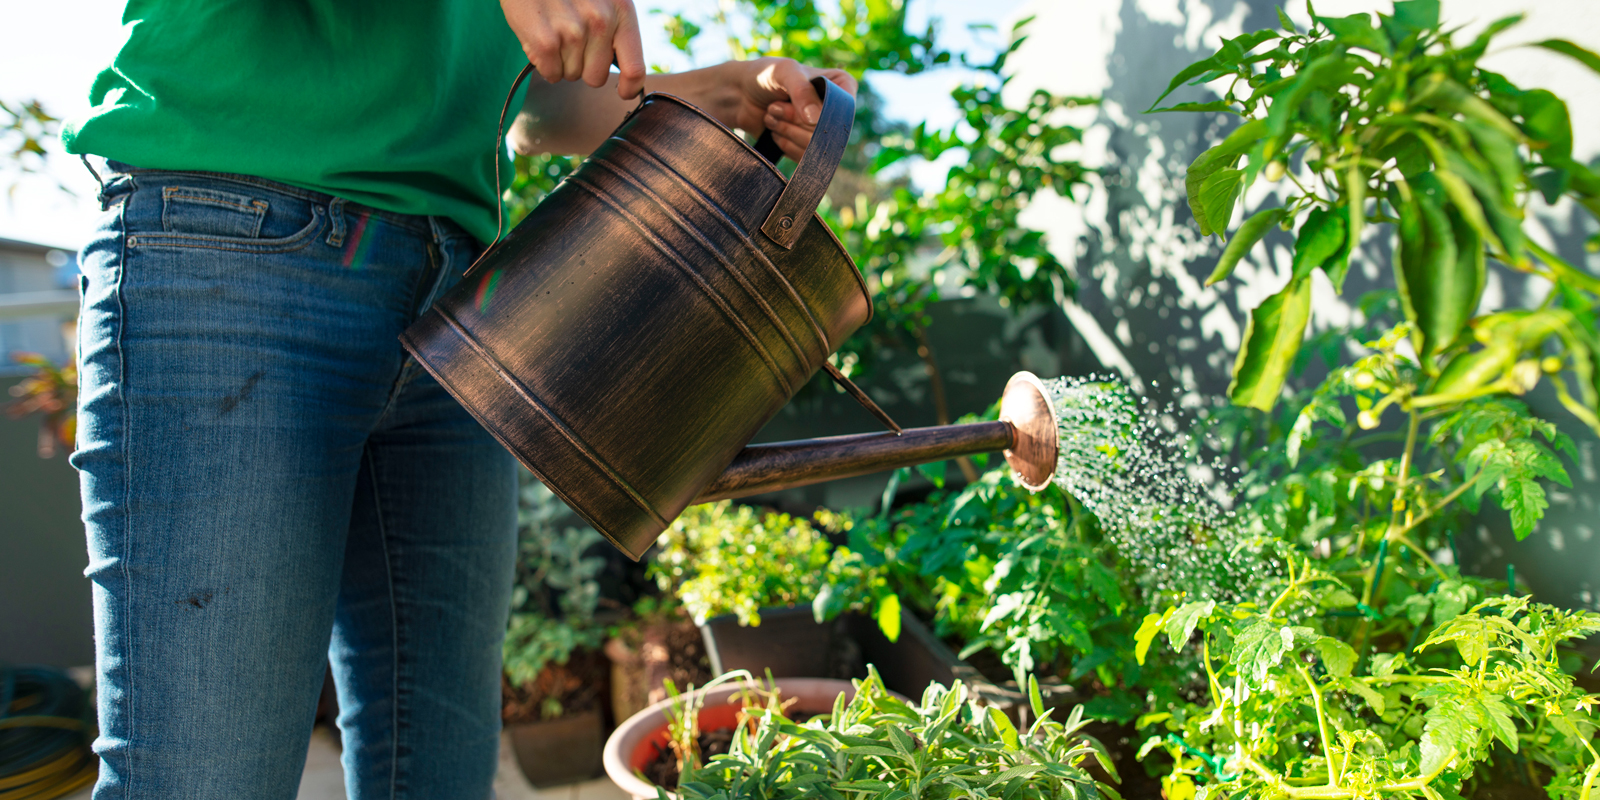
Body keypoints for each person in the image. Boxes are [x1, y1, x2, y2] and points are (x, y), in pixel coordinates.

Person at [61, 1, 855, 797]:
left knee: (438, 772)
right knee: (203, 779)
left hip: (461, 304)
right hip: (235, 245)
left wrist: (711, 96)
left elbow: (509, 101)